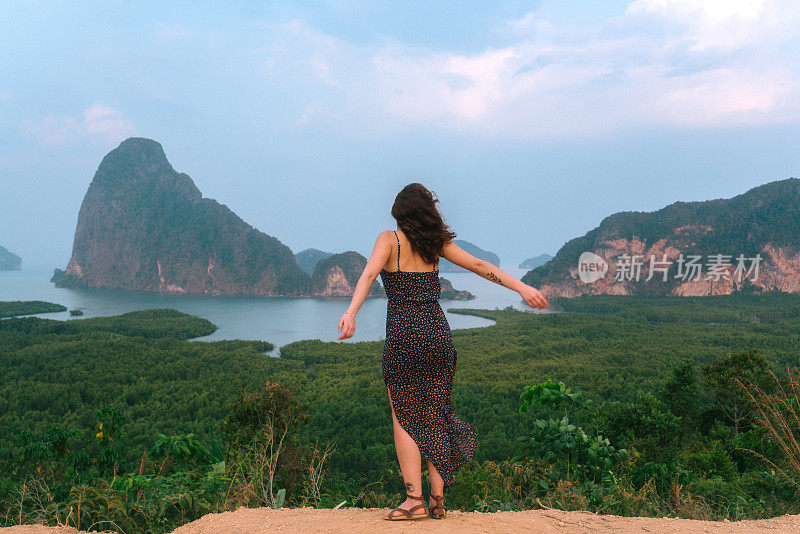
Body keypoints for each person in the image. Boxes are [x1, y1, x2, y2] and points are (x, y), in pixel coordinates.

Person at [337, 183, 548, 521]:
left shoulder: (389, 240)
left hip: (404, 337)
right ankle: (438, 500)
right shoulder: (436, 244)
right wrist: (522, 286)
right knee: (436, 411)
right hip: (437, 334)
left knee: (404, 417)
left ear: (401, 215)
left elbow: (368, 274)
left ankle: (414, 501)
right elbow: (480, 265)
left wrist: (351, 313)